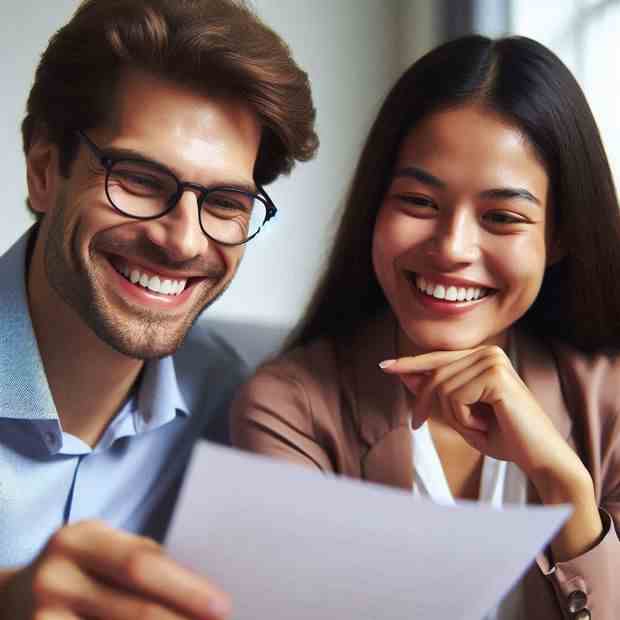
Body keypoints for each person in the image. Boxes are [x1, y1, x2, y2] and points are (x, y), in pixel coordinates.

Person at [232, 34, 620, 620]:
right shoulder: (290, 410)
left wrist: (565, 487)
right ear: (376, 207)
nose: (452, 248)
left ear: (558, 237)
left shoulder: (611, 406)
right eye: (419, 202)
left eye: (502, 217)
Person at [0, 0, 317, 617]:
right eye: (140, 180)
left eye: (226, 202)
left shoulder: (246, 406)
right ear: (44, 169)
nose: (183, 240)